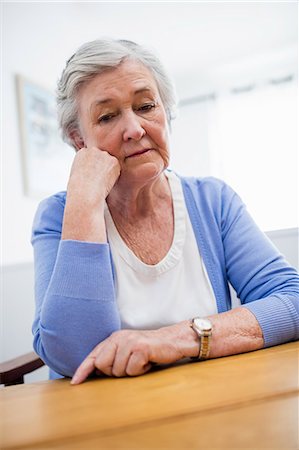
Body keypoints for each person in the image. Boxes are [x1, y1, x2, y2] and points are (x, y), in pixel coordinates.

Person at [31, 38, 299, 384]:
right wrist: (84, 202)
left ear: (166, 113)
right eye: (108, 116)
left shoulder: (212, 200)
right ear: (80, 141)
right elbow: (74, 356)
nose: (134, 129)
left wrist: (176, 339)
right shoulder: (59, 215)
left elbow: (292, 301)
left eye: (145, 106)